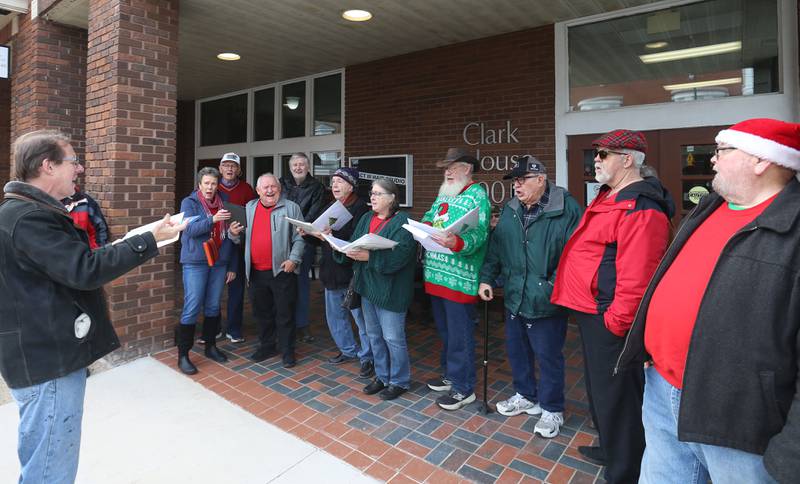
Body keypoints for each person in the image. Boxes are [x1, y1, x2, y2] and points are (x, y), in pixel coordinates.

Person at [616, 119, 800, 484]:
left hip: (736, 418)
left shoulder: (793, 229)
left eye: (722, 151)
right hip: (662, 390)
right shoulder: (711, 206)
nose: (711, 160)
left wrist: (790, 455)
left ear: (762, 161)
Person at [0, 130, 186, 483]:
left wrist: (130, 242)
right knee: (50, 469)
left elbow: (72, 265)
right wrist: (150, 239)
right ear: (47, 166)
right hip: (48, 364)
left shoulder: (23, 214)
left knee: (42, 458)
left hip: (41, 358)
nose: (80, 169)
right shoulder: (28, 219)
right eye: (73, 161)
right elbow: (84, 270)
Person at [551, 129, 674, 483]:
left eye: (604, 154)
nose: (596, 160)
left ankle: (625, 468)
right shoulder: (608, 196)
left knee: (618, 397)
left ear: (628, 159)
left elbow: (638, 277)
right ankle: (609, 447)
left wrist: (615, 322)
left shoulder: (642, 207)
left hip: (610, 317)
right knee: (599, 388)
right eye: (596, 154)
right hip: (590, 310)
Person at [479, 156, 581, 439]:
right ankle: (525, 394)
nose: (516, 186)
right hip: (514, 295)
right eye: (514, 181)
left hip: (547, 299)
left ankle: (552, 408)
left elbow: (575, 256)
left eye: (522, 180)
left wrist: (550, 287)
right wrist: (487, 278)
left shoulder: (566, 208)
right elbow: (496, 249)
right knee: (517, 350)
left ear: (541, 179)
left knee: (548, 357)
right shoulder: (512, 210)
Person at [334, 178, 416, 400]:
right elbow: (354, 241)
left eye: (378, 193)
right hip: (368, 288)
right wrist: (344, 248)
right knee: (374, 336)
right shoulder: (367, 217)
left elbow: (401, 256)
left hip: (391, 292)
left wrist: (369, 256)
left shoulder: (404, 222)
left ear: (392, 198)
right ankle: (382, 376)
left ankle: (399, 380)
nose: (372, 197)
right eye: (372, 193)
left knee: (393, 338)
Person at [423, 147, 491, 411]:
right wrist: (424, 228)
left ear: (467, 169)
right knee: (446, 332)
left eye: (452, 167)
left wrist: (457, 241)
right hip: (438, 275)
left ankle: (464, 388)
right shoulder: (445, 194)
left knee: (460, 335)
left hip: (459, 279)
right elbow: (431, 217)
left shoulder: (478, 196)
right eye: (445, 168)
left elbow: (481, 235)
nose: (447, 172)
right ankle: (451, 375)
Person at [301, 167, 374, 376]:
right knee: (335, 317)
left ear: (351, 186)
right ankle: (348, 350)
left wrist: (332, 234)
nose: (334, 185)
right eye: (332, 181)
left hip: (351, 273)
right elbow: (321, 238)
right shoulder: (331, 206)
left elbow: (356, 239)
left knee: (362, 320)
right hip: (330, 271)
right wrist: (307, 233)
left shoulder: (361, 210)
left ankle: (367, 357)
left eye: (339, 182)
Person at [176, 167, 244, 375]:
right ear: (199, 184)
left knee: (214, 305)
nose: (210, 187)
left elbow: (229, 237)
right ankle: (183, 354)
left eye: (213, 183)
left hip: (219, 261)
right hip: (196, 261)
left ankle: (211, 346)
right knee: (193, 305)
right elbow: (190, 229)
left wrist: (232, 233)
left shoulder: (223, 203)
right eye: (206, 183)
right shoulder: (189, 203)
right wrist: (212, 220)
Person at [245, 173, 305, 368]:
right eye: (266, 187)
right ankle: (267, 346)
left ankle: (288, 351)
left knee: (284, 313)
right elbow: (240, 238)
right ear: (258, 191)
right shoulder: (249, 207)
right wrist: (232, 233)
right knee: (262, 313)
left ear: (279, 189)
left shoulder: (291, 208)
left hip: (281, 271)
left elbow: (300, 237)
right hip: (255, 271)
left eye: (274, 187)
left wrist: (293, 260)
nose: (270, 190)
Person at [280, 152, 326, 343]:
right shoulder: (282, 184)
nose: (298, 168)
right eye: (294, 165)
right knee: (282, 283)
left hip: (304, 239)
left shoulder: (317, 187)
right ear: (290, 168)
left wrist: (300, 229)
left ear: (308, 167)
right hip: (281, 239)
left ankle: (302, 324)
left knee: (301, 284)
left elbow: (314, 213)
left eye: (301, 165)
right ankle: (284, 322)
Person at [216, 152, 256, 343]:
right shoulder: (213, 187)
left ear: (239, 170)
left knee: (236, 290)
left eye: (233, 166)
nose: (230, 169)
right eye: (226, 165)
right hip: (217, 244)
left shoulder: (247, 189)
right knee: (213, 288)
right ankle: (213, 327)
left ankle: (234, 328)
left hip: (238, 245)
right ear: (220, 168)